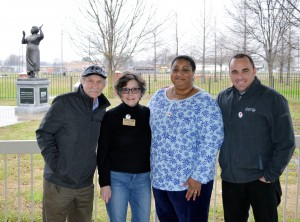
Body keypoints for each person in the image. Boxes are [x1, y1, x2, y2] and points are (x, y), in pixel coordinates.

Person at [217, 53, 295, 222]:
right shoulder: (223, 98)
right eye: (234, 71)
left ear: (254, 71)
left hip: (261, 180)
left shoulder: (273, 99)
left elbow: (286, 142)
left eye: (245, 71)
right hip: (231, 180)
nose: (240, 77)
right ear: (229, 73)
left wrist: (269, 175)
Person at [148, 55, 224, 222]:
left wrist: (198, 177)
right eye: (175, 69)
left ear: (193, 74)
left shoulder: (205, 102)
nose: (179, 74)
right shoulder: (159, 97)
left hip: (189, 183)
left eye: (185, 70)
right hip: (160, 179)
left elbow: (212, 141)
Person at [36, 65, 110, 222]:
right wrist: (56, 165)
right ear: (82, 81)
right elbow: (43, 133)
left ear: (104, 85)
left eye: (99, 82)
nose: (94, 85)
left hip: (85, 184)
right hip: (58, 183)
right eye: (90, 81)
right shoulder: (64, 102)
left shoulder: (102, 110)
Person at [97, 72, 151, 222]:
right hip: (116, 179)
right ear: (119, 92)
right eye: (125, 89)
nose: (130, 94)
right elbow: (102, 151)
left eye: (134, 89)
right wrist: (104, 183)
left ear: (141, 91)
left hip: (143, 179)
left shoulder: (147, 114)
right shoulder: (111, 116)